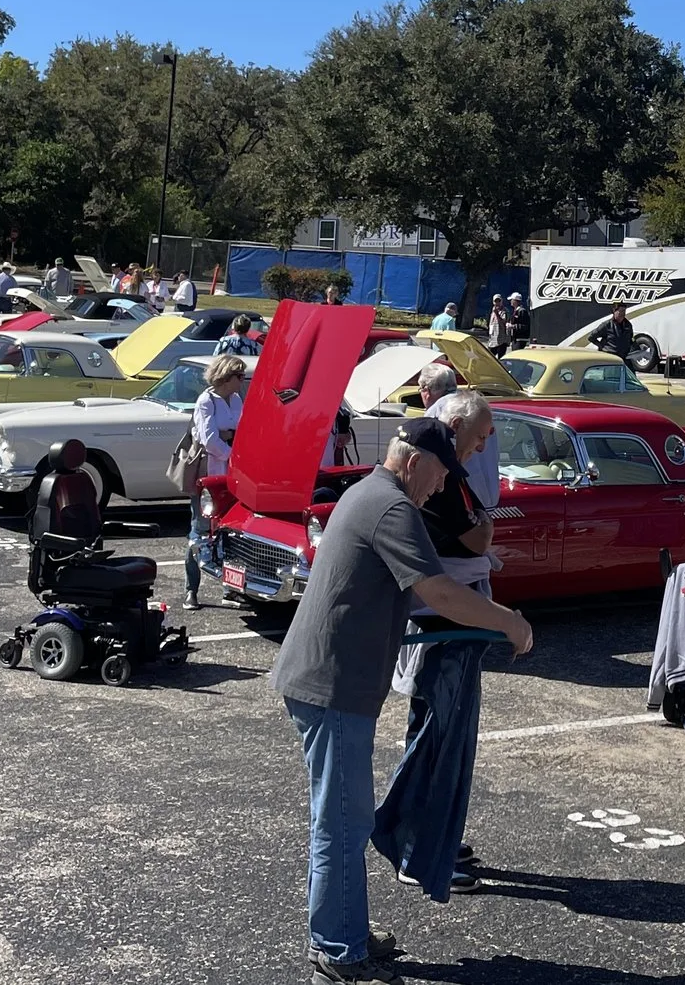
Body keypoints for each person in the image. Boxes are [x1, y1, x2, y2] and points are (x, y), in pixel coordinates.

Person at [270, 418, 533, 981]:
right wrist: (508, 621)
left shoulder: (369, 494)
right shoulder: (392, 507)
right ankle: (339, 953)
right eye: (439, 474)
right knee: (342, 823)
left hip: (331, 681)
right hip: (333, 684)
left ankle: (343, 930)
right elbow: (437, 592)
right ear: (413, 461)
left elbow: (409, 592)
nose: (441, 487)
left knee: (342, 818)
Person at [373, 392, 499, 899]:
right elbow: (477, 538)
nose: (482, 446)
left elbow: (478, 532)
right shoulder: (436, 475)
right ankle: (415, 848)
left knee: (438, 736)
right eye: (479, 436)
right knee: (438, 740)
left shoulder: (448, 474)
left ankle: (426, 839)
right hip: (444, 623)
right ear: (454, 425)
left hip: (448, 620)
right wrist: (508, 622)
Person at [184, 352, 250, 609]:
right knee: (199, 531)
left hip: (231, 474)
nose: (242, 381)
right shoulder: (206, 401)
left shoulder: (236, 399)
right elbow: (209, 440)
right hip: (209, 475)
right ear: (226, 377)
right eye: (239, 376)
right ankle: (191, 590)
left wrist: (229, 436)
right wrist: (231, 448)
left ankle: (230, 589)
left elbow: (241, 431)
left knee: (228, 531)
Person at [417, 360, 498, 501]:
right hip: (489, 495)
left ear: (426, 391)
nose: (481, 447)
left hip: (457, 496)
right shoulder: (478, 406)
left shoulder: (436, 412)